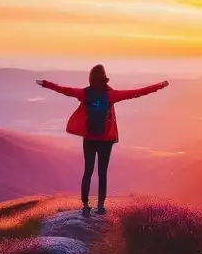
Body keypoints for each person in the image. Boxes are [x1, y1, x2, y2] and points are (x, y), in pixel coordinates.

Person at [37, 65, 169, 217]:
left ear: (91, 78)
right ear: (104, 77)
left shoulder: (85, 93)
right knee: (102, 173)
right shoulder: (111, 95)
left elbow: (65, 90)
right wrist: (159, 86)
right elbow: (137, 93)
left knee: (88, 171)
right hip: (106, 139)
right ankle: (100, 207)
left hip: (89, 138)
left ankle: (85, 206)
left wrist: (47, 84)